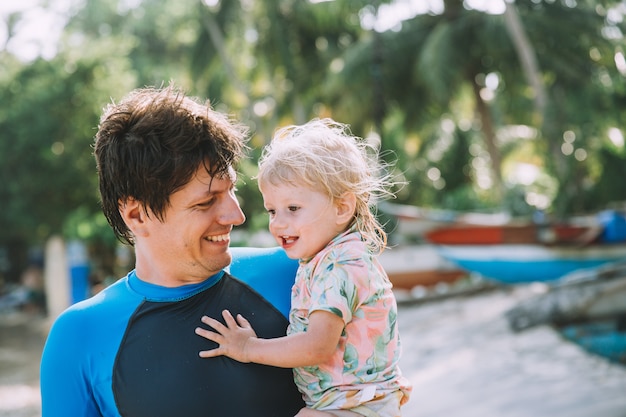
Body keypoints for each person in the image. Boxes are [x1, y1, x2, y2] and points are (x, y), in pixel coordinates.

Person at [39, 85, 305, 416]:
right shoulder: (79, 337)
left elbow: (376, 391)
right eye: (207, 202)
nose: (236, 216)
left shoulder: (297, 275)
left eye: (231, 190)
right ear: (137, 215)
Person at [195, 119, 412, 416]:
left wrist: (249, 348)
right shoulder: (326, 258)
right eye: (272, 210)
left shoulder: (340, 265)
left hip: (358, 407)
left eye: (293, 208)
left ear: (341, 208)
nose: (278, 222)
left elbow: (317, 346)